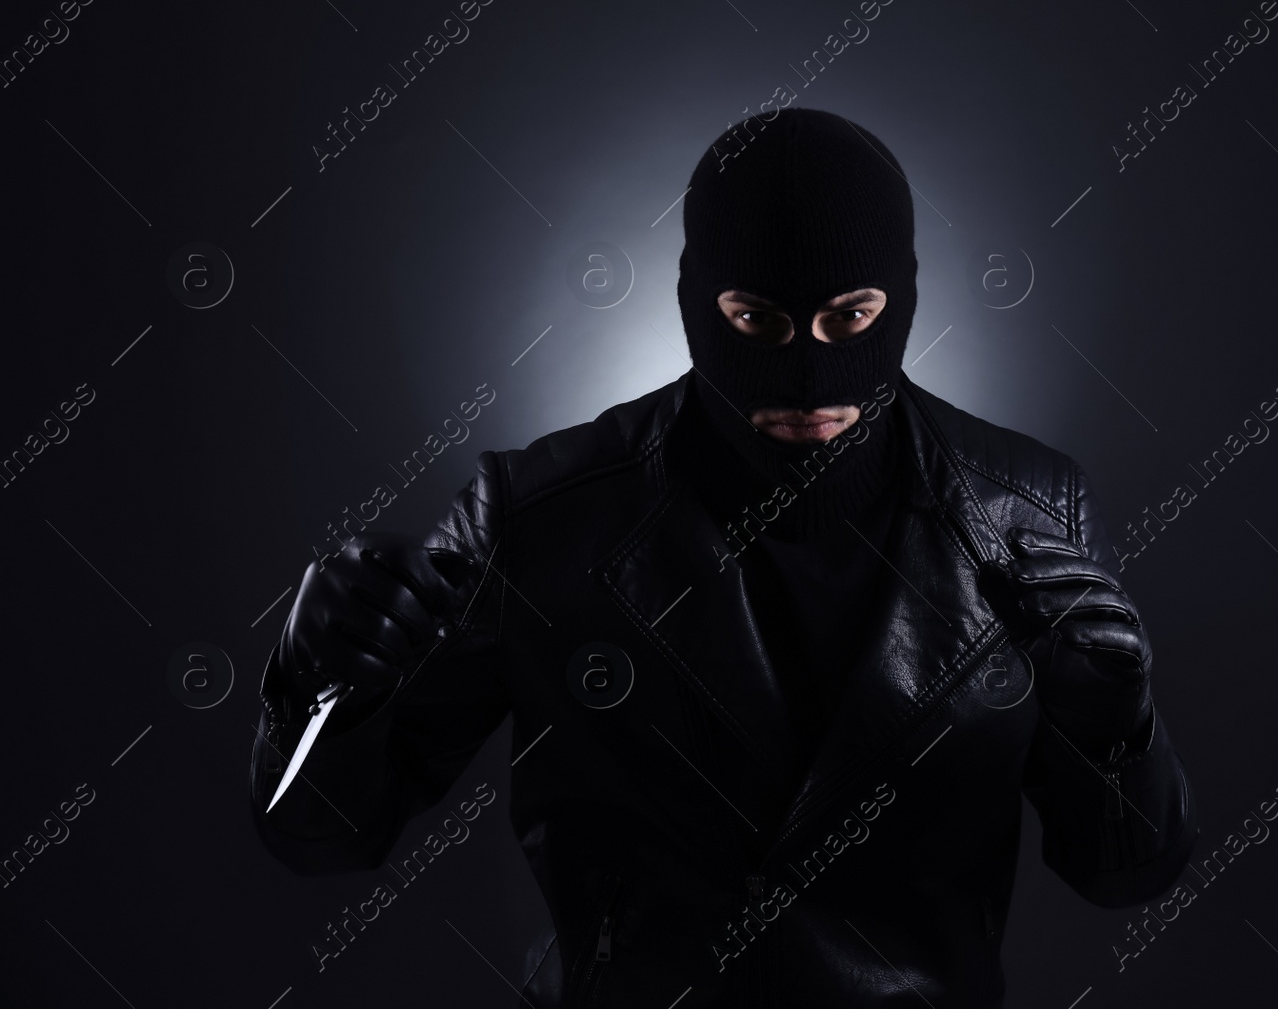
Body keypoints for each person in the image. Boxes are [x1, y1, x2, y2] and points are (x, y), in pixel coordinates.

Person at [249, 106, 1198, 1006]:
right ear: (696, 302)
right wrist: (317, 683)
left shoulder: (1032, 512)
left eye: (852, 317)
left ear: (903, 296)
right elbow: (323, 834)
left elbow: (1126, 876)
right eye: (758, 321)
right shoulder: (538, 517)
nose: (809, 374)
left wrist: (1116, 731)